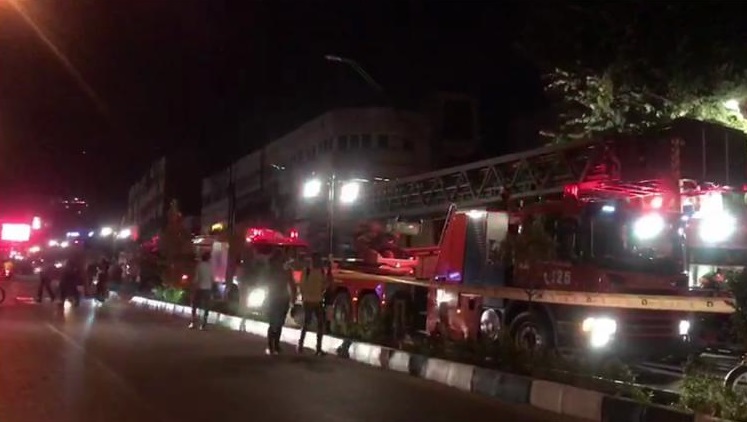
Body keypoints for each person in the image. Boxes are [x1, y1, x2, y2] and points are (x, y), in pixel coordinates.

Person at [297, 253, 331, 355]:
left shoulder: (319, 271)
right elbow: (302, 286)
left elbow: (324, 285)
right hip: (310, 301)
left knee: (317, 324)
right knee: (309, 324)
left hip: (316, 300)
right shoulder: (307, 271)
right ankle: (303, 345)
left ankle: (315, 347)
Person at [265, 249, 296, 355]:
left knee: (277, 322)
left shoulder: (282, 270)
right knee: (275, 322)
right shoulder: (275, 270)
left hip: (279, 298)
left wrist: (293, 297)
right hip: (277, 298)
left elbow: (291, 283)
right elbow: (291, 284)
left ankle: (274, 345)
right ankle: (273, 345)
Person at [190, 252, 214, 330]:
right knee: (206, 307)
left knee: (194, 305)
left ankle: (193, 322)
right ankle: (204, 324)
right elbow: (212, 278)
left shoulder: (199, 266)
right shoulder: (210, 267)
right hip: (208, 288)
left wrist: (193, 286)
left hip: (200, 287)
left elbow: (196, 278)